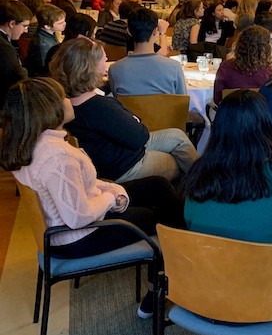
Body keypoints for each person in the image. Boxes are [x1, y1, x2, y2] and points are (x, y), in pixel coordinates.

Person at [0, 77, 185, 318]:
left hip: (63, 229)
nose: (69, 100)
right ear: (50, 108)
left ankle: (183, 255)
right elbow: (78, 217)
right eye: (63, 96)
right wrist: (110, 199)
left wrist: (113, 191)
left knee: (158, 185)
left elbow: (79, 188)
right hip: (78, 237)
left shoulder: (31, 143)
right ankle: (166, 284)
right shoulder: (57, 158)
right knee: (158, 219)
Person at [182, 90, 272, 298]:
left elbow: (192, 226)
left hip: (205, 291)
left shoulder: (197, 174)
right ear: (266, 128)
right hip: (263, 299)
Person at [50, 37, 199, 183]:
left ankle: (205, 180)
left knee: (177, 136)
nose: (107, 58)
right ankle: (206, 186)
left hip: (111, 153)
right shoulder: (99, 106)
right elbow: (139, 137)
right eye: (103, 57)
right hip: (122, 167)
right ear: (91, 67)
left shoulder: (62, 102)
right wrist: (134, 120)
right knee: (176, 161)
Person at [108, 8, 183, 96]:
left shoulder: (115, 69)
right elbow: (182, 101)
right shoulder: (174, 67)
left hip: (127, 109)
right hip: (163, 109)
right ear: (155, 31)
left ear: (128, 31)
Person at [214, 25, 272, 105]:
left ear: (239, 44)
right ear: (266, 47)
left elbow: (217, 98)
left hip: (230, 114)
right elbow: (270, 100)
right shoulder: (267, 71)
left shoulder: (225, 66)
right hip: (258, 115)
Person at [0, 0, 31, 108]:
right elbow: (18, 77)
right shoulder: (4, 48)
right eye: (24, 26)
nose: (26, 31)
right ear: (12, 23)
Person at [25, 4, 65, 77]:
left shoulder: (48, 33)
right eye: (60, 23)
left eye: (64, 21)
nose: (64, 24)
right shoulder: (43, 44)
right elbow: (46, 69)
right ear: (47, 26)